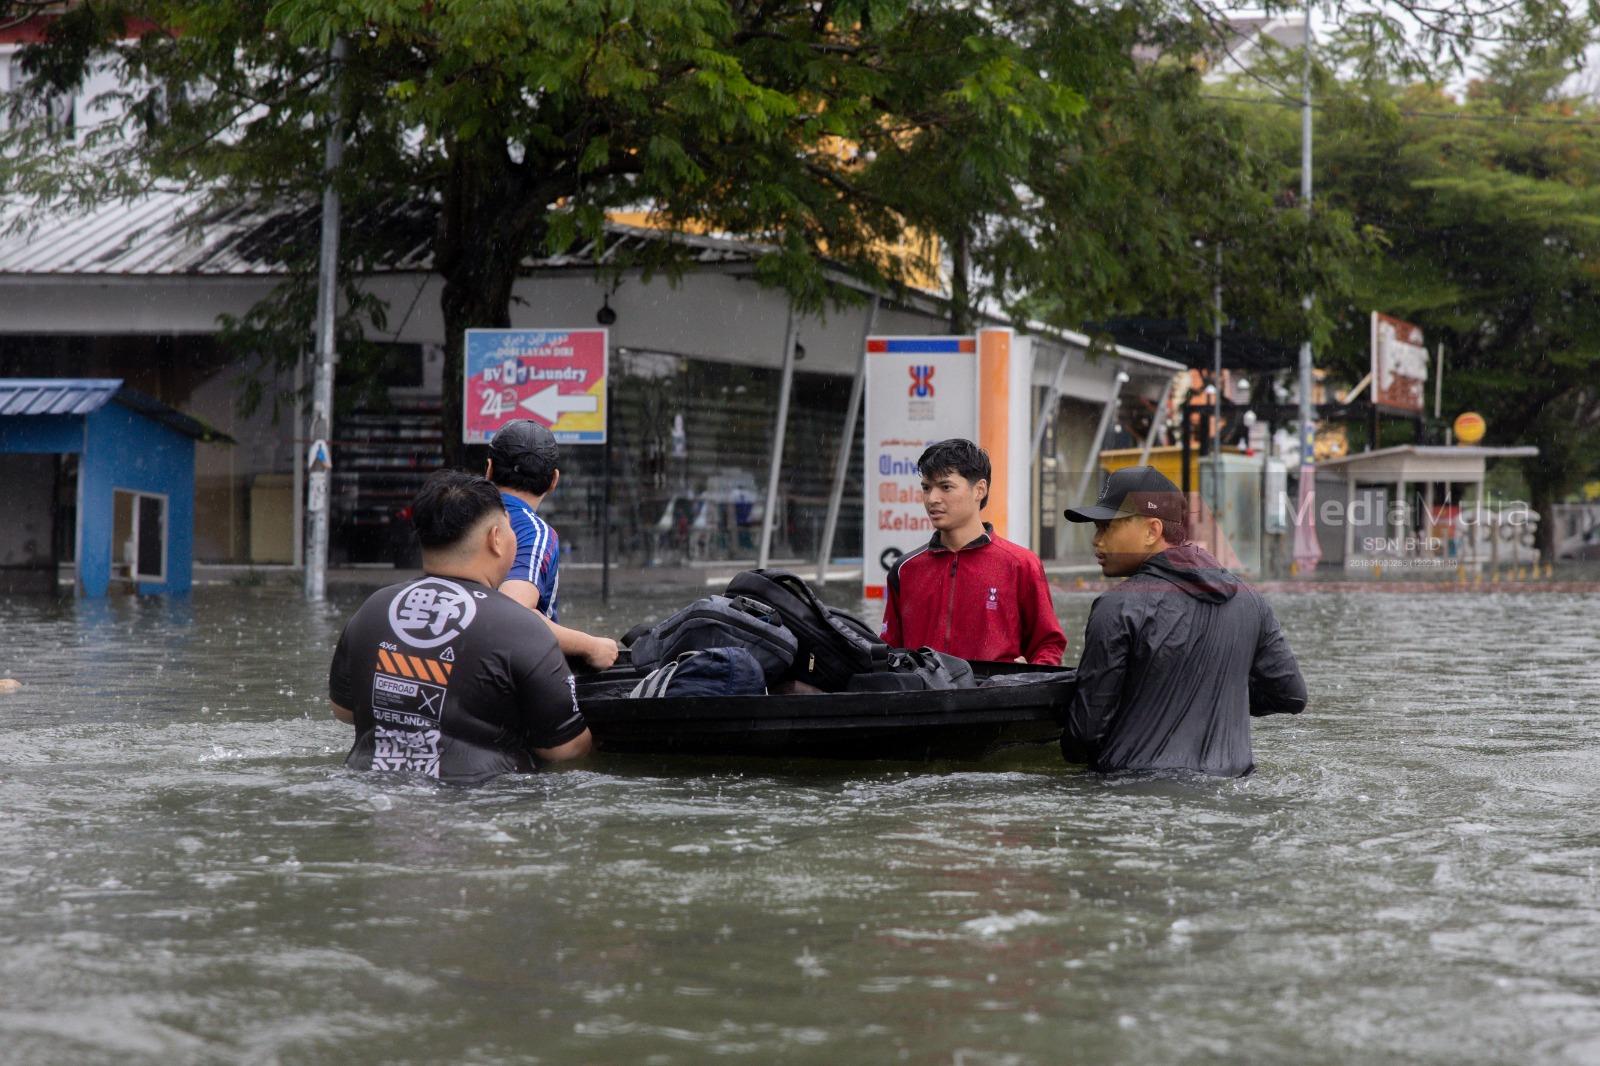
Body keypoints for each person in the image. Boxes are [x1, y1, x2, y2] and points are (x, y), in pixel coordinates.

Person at [329, 470, 593, 784]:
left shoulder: (372, 610)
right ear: (496, 538)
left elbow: (344, 710)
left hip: (370, 789)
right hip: (482, 803)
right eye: (509, 527)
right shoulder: (521, 627)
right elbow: (566, 750)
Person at [1059, 465, 1306, 777]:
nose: (1096, 541)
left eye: (1106, 527)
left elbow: (1083, 736)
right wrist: (1216, 691)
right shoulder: (1251, 601)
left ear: (1152, 530)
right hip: (1230, 793)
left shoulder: (1117, 607)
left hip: (1133, 796)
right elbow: (1290, 695)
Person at [881, 438, 1066, 665]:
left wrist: (1027, 679)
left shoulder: (1021, 564)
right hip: (923, 697)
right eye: (926, 488)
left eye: (946, 487)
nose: (932, 499)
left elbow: (1048, 644)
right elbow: (889, 650)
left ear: (979, 489)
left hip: (991, 698)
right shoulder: (905, 569)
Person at [484, 419, 619, 669]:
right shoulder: (535, 533)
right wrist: (590, 646)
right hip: (511, 675)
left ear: (489, 468)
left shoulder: (465, 514)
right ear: (554, 480)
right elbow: (515, 615)